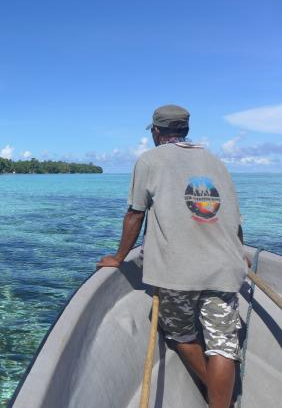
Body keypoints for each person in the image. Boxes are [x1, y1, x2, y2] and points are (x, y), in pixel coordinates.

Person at [97, 105, 248, 408]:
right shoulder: (216, 162)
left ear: (156, 131)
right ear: (185, 131)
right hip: (224, 268)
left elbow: (135, 214)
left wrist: (118, 257)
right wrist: (240, 254)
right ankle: (222, 399)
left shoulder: (149, 160)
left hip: (177, 272)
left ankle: (215, 391)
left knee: (181, 336)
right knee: (223, 348)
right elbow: (233, 219)